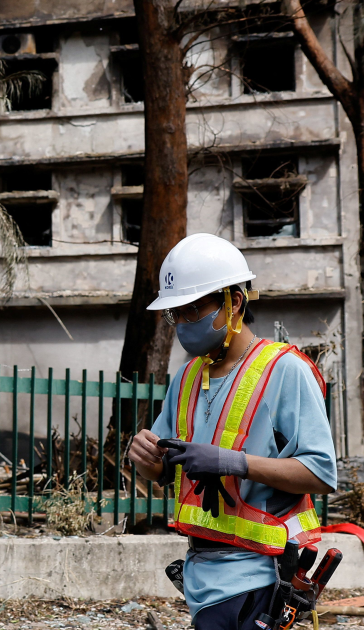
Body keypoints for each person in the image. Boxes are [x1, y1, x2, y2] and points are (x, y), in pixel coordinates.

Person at [127, 233, 337, 630]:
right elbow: (165, 473)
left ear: (234, 302)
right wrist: (147, 460)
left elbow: (321, 473)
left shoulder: (285, 371)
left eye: (192, 310)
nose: (183, 324)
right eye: (176, 314)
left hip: (261, 574)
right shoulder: (187, 377)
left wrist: (233, 462)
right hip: (201, 574)